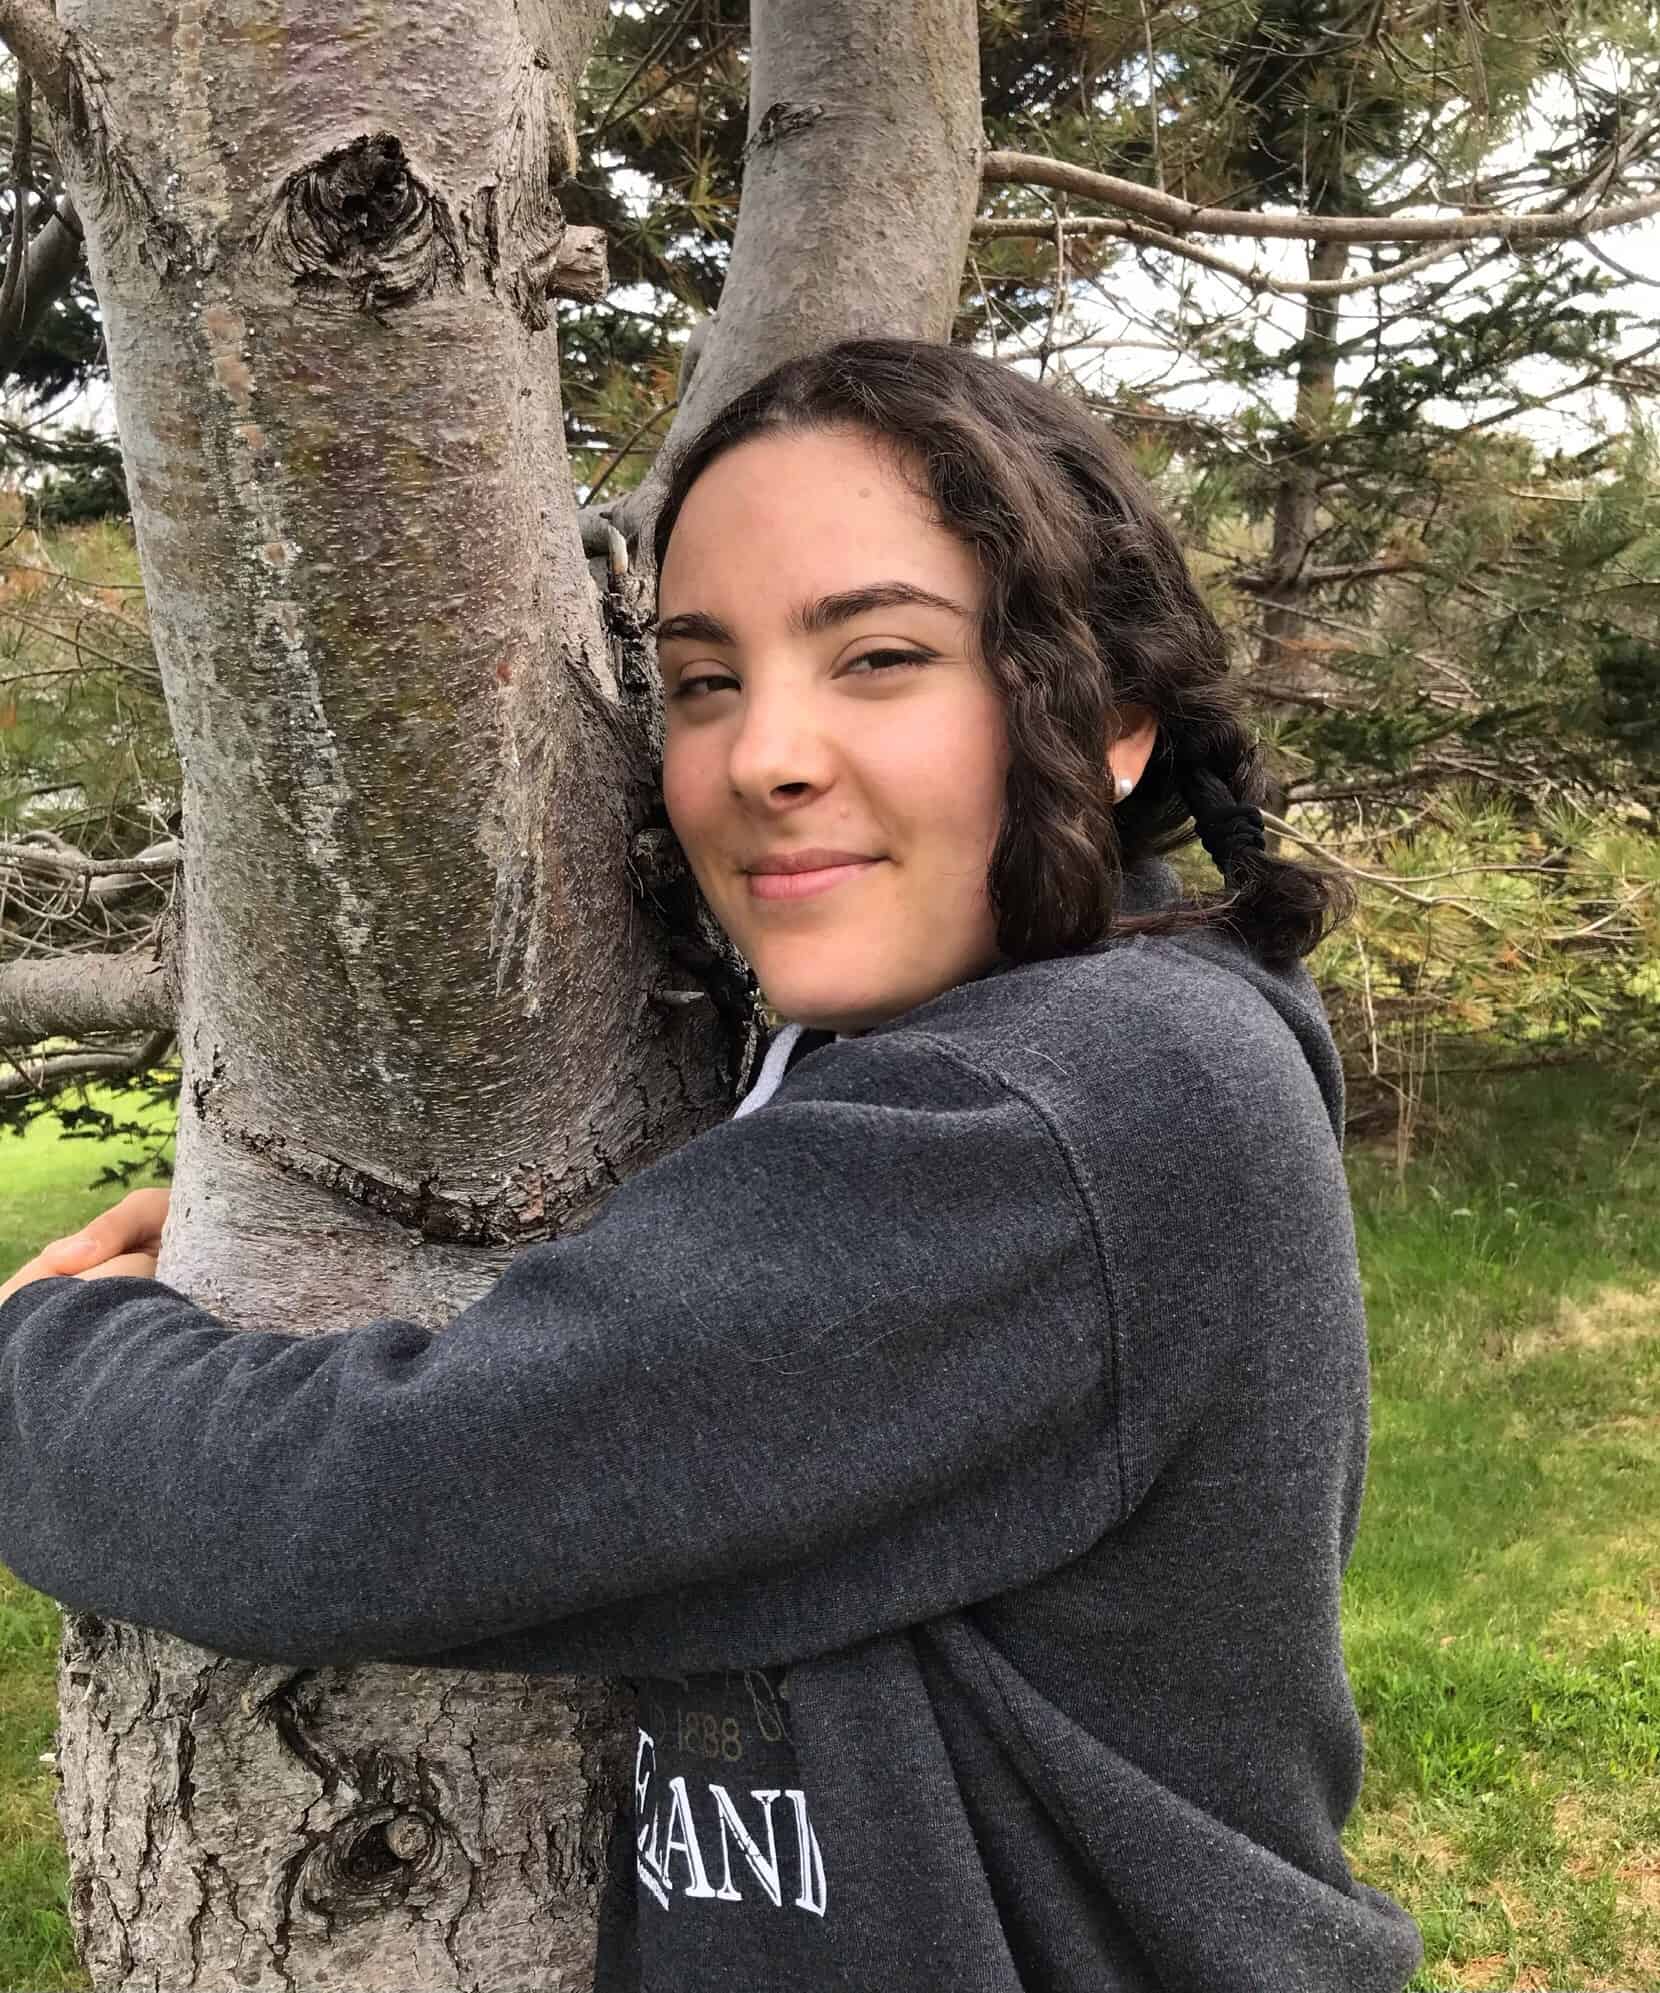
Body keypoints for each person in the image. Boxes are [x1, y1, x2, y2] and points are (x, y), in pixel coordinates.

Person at [0, 336, 1424, 1992]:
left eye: (879, 656)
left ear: (1112, 716)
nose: (764, 757)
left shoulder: (1066, 1116)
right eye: (703, 680)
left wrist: (42, 1353)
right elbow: (696, 1382)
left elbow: (358, 1510)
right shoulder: (1041, 1055)